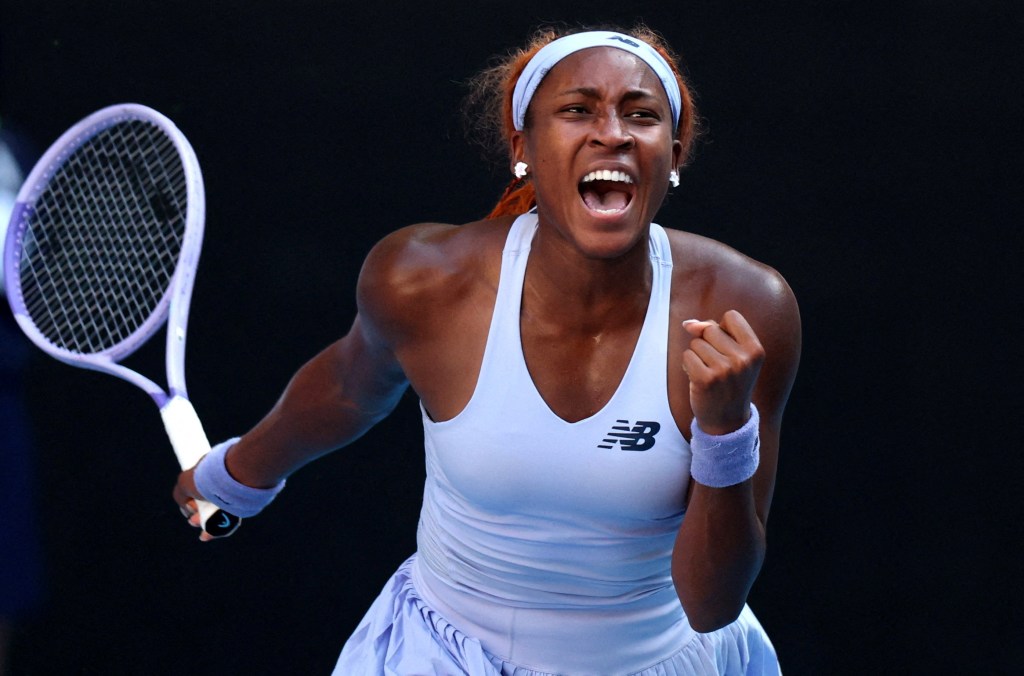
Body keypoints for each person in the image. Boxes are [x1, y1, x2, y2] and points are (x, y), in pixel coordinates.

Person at [174, 24, 801, 675]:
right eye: (577, 110)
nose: (611, 133)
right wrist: (230, 477)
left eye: (640, 115)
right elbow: (346, 389)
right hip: (438, 657)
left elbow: (712, 604)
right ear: (522, 145)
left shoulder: (747, 307)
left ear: (673, 154)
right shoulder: (422, 280)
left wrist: (725, 430)